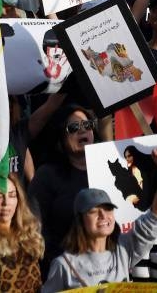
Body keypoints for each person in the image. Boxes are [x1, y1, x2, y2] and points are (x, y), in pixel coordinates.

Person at [40, 147, 157, 291]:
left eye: (108, 208)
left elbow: (154, 220)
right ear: (80, 220)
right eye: (93, 211)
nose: (103, 215)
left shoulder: (124, 248)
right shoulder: (63, 265)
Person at [29, 105, 100, 266]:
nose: (82, 131)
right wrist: (60, 262)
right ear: (60, 137)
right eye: (74, 127)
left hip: (109, 270)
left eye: (87, 125)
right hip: (66, 272)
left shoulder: (108, 167)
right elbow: (34, 227)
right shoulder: (47, 175)